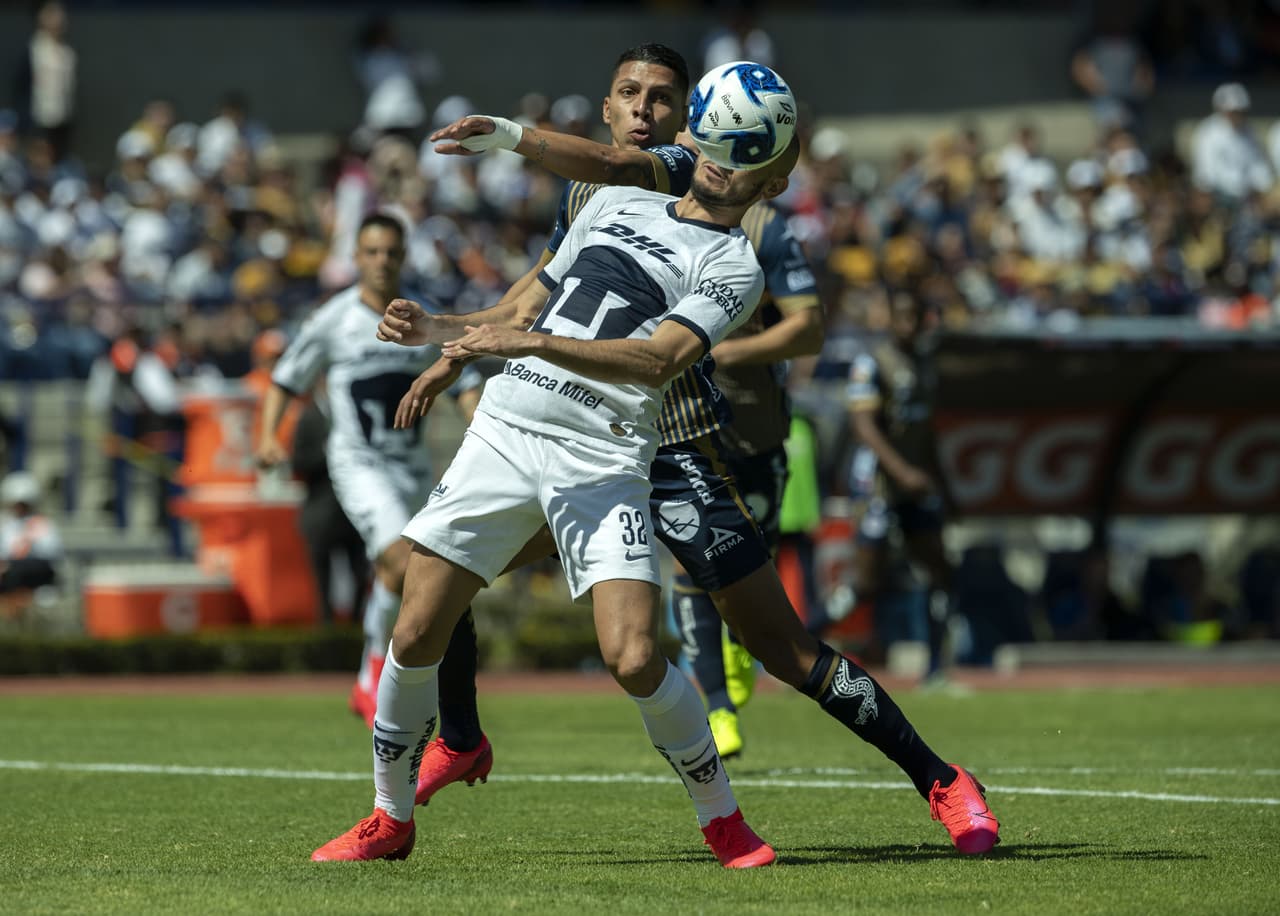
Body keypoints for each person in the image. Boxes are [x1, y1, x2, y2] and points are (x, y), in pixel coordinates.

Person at [382, 50, 998, 860]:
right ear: (608, 105)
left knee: (783, 649)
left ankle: (940, 778)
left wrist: (505, 137)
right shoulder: (595, 195)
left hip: (673, 451)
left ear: (688, 118)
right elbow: (533, 299)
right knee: (433, 573)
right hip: (574, 447)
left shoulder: (712, 201)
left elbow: (732, 325)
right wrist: (451, 346)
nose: (645, 111)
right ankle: (460, 736)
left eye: (663, 99)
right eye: (629, 94)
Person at [311, 109, 801, 869]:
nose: (719, 161)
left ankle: (724, 821)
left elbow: (658, 360)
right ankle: (389, 819)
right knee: (414, 631)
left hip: (604, 454)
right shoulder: (614, 202)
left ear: (770, 184)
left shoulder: (736, 265)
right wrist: (436, 329)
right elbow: (518, 310)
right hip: (505, 431)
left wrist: (529, 342)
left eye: (744, 157)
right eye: (716, 141)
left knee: (633, 656)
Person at [255, 213, 478, 726]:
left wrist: (477, 421)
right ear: (356, 258)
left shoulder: (422, 317)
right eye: (372, 252)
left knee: (412, 574)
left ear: (403, 257)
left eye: (391, 253)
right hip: (360, 464)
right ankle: (378, 670)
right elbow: (285, 380)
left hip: (413, 467)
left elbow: (463, 376)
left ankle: (369, 677)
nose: (382, 262)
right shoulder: (333, 320)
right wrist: (268, 437)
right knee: (400, 564)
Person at [846, 290, 953, 680]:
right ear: (890, 319)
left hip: (916, 486)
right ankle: (806, 639)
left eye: (914, 317)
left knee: (939, 568)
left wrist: (944, 487)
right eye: (902, 316)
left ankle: (936, 670)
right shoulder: (871, 363)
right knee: (866, 582)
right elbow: (863, 426)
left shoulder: (925, 364)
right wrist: (903, 472)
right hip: (877, 483)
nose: (908, 325)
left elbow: (926, 433)